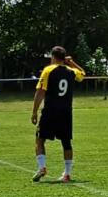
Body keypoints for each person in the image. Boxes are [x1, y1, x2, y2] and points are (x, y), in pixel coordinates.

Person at [31, 46, 85, 183]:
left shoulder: (48, 70)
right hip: (66, 111)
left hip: (50, 110)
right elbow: (82, 74)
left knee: (40, 139)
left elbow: (40, 92)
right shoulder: (71, 71)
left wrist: (34, 111)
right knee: (66, 142)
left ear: (53, 57)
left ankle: (42, 167)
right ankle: (67, 174)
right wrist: (71, 62)